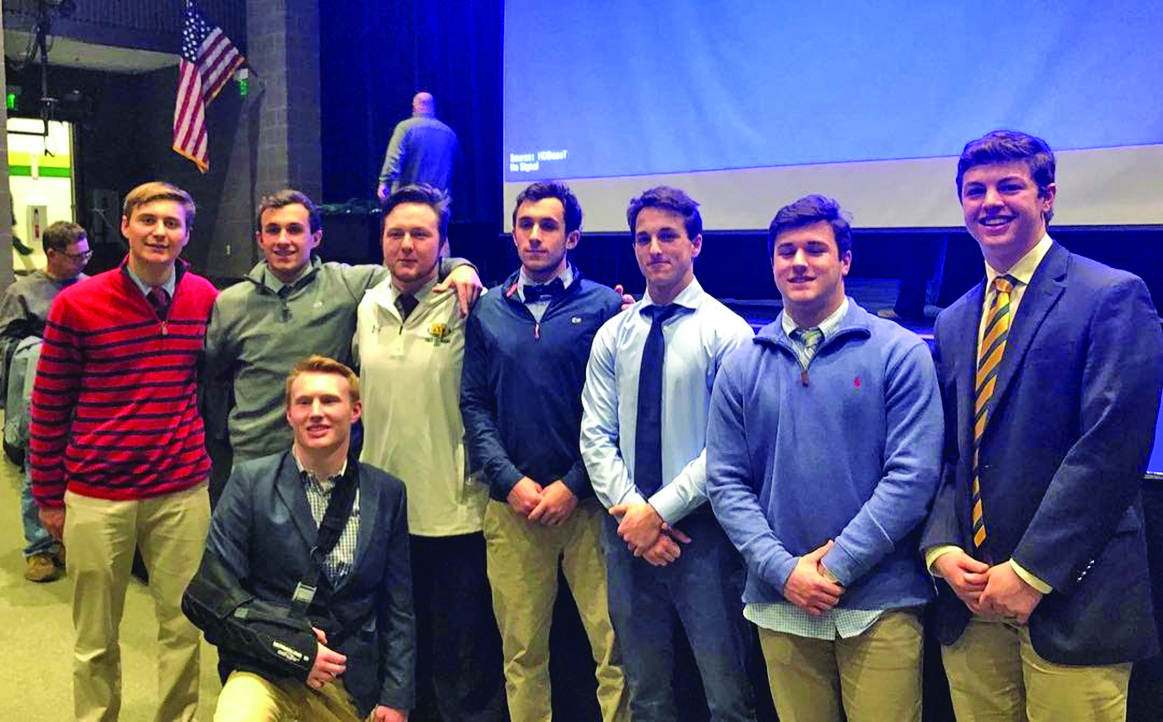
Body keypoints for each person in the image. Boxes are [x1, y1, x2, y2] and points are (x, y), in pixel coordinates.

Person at [921, 129, 1163, 721]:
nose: (990, 202)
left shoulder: (1111, 296)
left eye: (1010, 186)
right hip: (970, 601)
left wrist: (1030, 573)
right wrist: (940, 548)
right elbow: (950, 454)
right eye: (975, 190)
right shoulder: (953, 322)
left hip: (1074, 600)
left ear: (1047, 196)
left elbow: (1109, 449)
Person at [706, 194, 944, 721]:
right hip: (778, 599)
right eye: (786, 251)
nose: (799, 261)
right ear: (771, 264)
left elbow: (912, 476)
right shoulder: (741, 363)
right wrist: (783, 571)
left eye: (815, 248)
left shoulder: (899, 352)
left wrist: (834, 567)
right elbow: (725, 481)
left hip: (878, 604)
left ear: (845, 260)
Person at [29, 181, 218, 721]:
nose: (161, 231)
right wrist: (48, 497)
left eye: (173, 223)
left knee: (183, 629)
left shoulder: (204, 298)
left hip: (181, 492)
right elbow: (49, 406)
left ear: (186, 234)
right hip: (96, 495)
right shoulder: (78, 303)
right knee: (94, 638)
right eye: (149, 220)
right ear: (127, 227)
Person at [580, 186, 758, 721]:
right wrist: (636, 515)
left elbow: (728, 446)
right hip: (627, 535)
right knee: (647, 693)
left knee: (727, 694)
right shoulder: (614, 335)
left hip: (704, 536)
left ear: (696, 243)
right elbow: (595, 435)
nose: (654, 248)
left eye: (668, 236)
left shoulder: (729, 333)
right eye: (642, 239)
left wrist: (657, 514)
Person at [461, 181, 630, 722]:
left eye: (548, 225)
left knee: (615, 655)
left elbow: (615, 414)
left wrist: (573, 484)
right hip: (512, 511)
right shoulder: (487, 309)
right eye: (525, 224)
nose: (534, 235)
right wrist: (510, 481)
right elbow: (473, 404)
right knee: (522, 656)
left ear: (572, 237)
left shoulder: (605, 305)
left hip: (590, 509)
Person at [184, 355, 414, 722]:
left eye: (330, 401)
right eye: (304, 402)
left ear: (355, 411)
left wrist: (396, 698)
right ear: (289, 414)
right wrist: (292, 650)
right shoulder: (249, 483)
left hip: (354, 678)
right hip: (268, 668)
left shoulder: (387, 493)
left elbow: (398, 606)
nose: (316, 412)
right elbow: (212, 596)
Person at [203, 189, 481, 488]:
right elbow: (213, 375)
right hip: (254, 462)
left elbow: (409, 268)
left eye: (295, 229)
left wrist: (462, 266)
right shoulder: (230, 303)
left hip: (329, 461)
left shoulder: (349, 285)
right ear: (260, 239)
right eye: (273, 230)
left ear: (316, 238)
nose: (283, 240)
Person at [355, 184, 505, 721]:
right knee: (400, 648)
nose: (406, 245)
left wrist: (465, 269)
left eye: (421, 234)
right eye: (395, 234)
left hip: (454, 512)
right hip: (383, 512)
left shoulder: (471, 305)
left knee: (460, 656)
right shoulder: (368, 303)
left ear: (442, 244)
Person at [0, 220, 90, 582]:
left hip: (84, 398)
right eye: (75, 257)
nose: (83, 263)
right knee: (40, 470)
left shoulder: (90, 289)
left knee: (76, 472)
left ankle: (68, 539)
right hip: (40, 394)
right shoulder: (23, 292)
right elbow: (6, 343)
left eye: (87, 255)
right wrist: (40, 350)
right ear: (51, 254)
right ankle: (38, 549)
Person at [376, 92, 459, 202]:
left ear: (414, 107)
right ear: (434, 108)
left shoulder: (405, 128)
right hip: (439, 200)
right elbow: (456, 168)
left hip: (408, 198)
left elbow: (394, 158)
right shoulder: (450, 134)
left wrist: (384, 182)